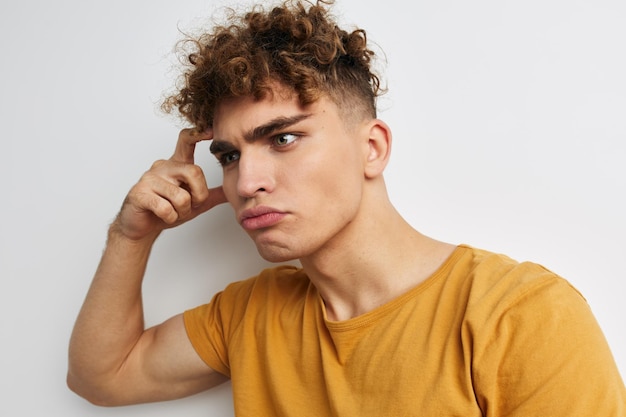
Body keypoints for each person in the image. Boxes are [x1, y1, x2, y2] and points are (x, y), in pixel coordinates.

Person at [67, 0, 626, 415]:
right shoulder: (252, 314)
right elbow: (102, 377)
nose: (247, 181)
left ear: (372, 148)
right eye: (230, 155)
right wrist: (131, 237)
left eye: (282, 138)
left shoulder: (521, 314)